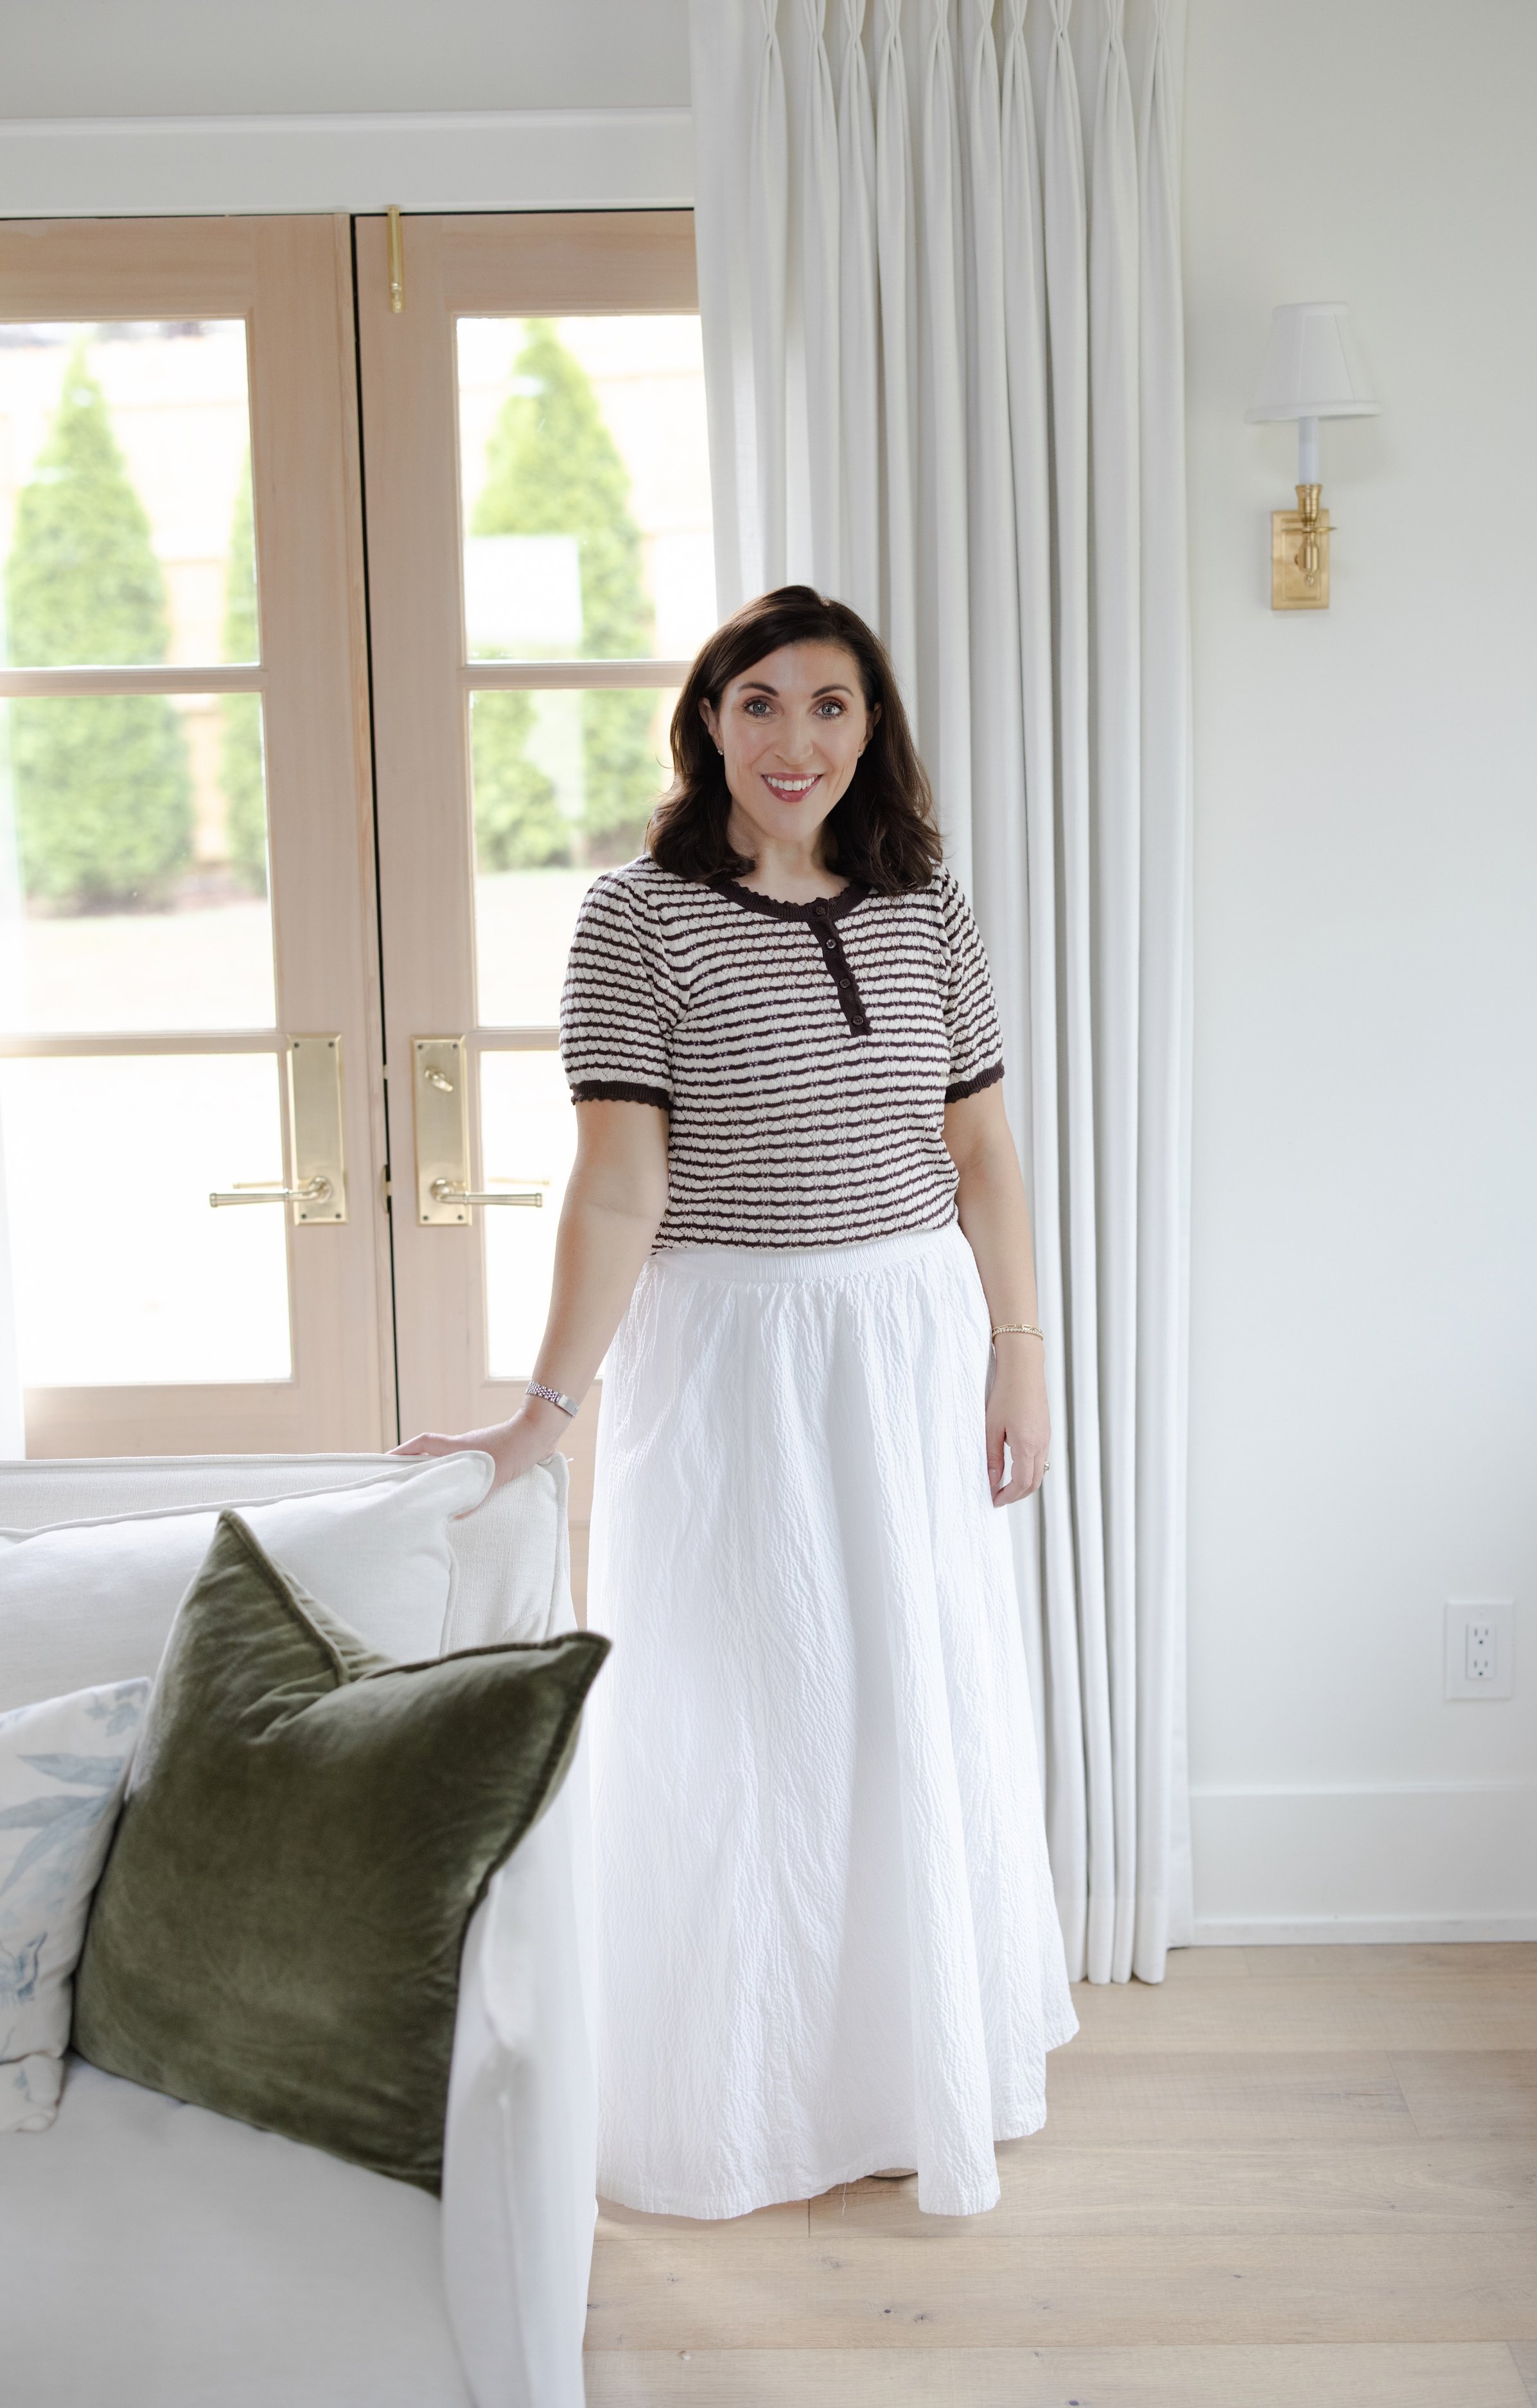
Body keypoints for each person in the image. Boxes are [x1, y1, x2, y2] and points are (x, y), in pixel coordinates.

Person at [397, 584, 1075, 2219]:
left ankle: (907, 2072)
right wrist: (544, 1412)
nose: (794, 739)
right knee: (734, 1720)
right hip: (730, 1354)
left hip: (906, 1338)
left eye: (828, 705)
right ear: (707, 721)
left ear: (868, 726)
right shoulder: (635, 918)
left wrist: (1019, 1349)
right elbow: (617, 1188)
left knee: (903, 1702)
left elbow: (980, 1149)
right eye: (758, 701)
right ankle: (743, 2101)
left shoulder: (925, 903)